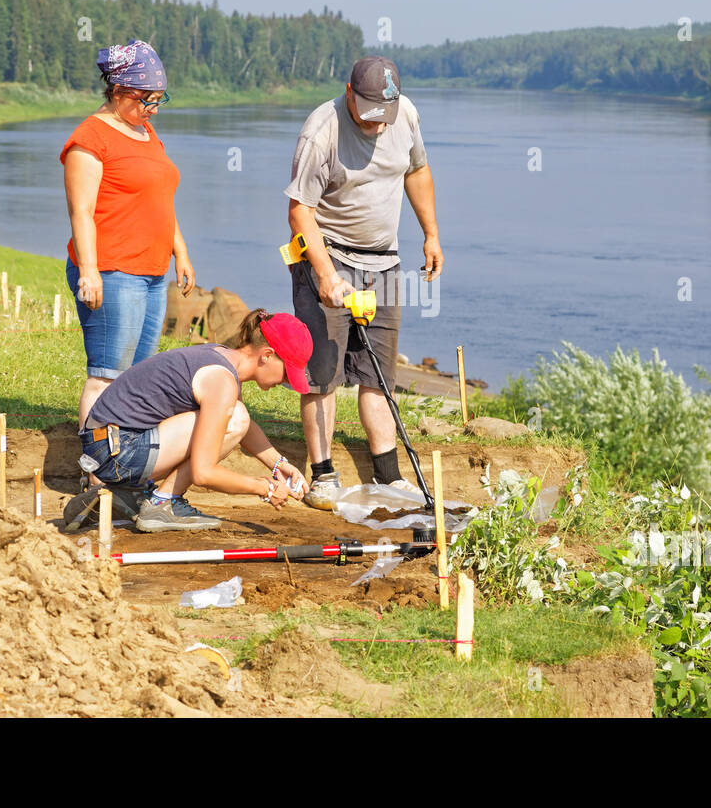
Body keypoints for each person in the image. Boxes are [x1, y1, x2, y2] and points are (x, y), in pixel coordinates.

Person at [284, 56, 443, 509]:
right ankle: (322, 474)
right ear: (350, 93)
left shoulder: (405, 114)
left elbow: (416, 171)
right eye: (368, 114)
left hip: (384, 263)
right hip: (327, 254)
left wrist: (431, 234)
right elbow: (300, 211)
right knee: (323, 374)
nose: (376, 126)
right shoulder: (322, 130)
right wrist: (325, 274)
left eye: (383, 117)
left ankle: (388, 475)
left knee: (379, 373)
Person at [63, 309, 313, 532]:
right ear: (267, 355)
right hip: (117, 452)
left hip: (108, 445)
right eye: (287, 372)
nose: (286, 381)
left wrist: (279, 464)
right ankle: (162, 503)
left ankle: (128, 494)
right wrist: (264, 488)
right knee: (236, 417)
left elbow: (242, 428)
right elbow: (204, 473)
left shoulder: (222, 358)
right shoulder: (221, 381)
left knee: (236, 416)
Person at [61, 39, 196, 436]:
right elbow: (81, 212)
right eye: (145, 99)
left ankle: (125, 462)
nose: (153, 108)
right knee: (106, 375)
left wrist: (181, 252)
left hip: (152, 273)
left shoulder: (146, 133)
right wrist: (89, 271)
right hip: (113, 271)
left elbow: (158, 198)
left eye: (158, 100)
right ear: (119, 91)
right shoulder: (90, 139)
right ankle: (94, 469)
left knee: (136, 379)